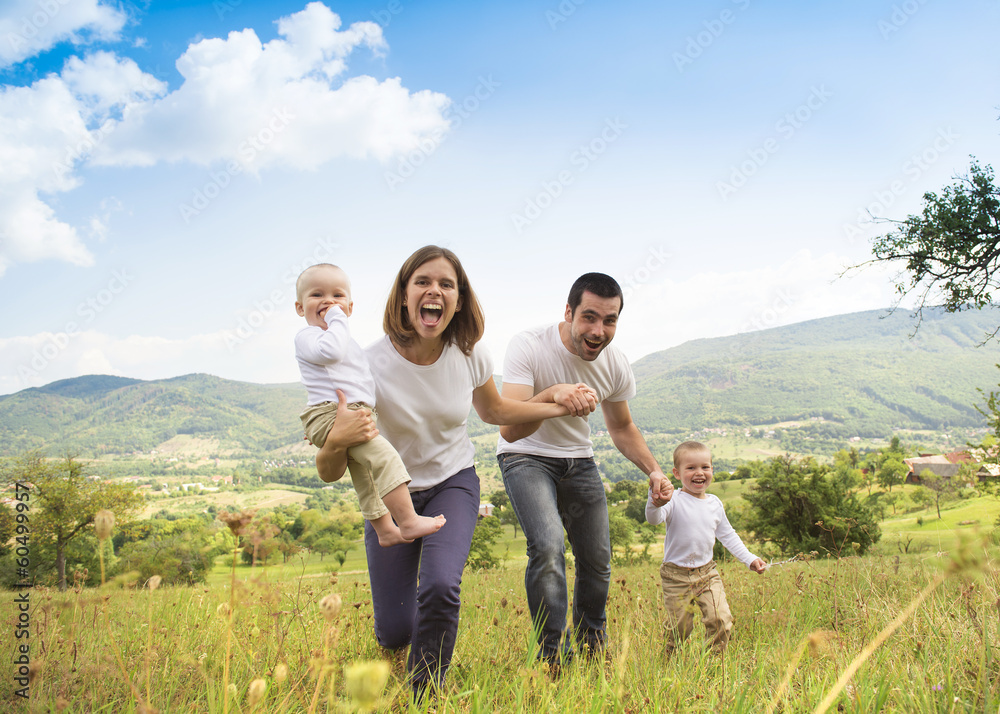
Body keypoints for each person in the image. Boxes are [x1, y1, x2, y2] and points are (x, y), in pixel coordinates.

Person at [314, 245, 598, 695]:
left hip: (454, 484)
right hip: (394, 498)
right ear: (404, 295)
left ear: (460, 299)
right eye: (423, 282)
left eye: (447, 284)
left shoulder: (469, 354)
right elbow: (329, 470)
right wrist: (336, 436)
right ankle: (404, 646)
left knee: (442, 587)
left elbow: (497, 411)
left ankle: (425, 693)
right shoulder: (367, 364)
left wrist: (555, 400)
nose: (435, 291)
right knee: (394, 631)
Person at [497, 272, 671, 665]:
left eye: (609, 320)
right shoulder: (528, 345)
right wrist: (554, 395)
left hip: (579, 460)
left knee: (596, 559)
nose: (598, 330)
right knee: (548, 546)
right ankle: (551, 656)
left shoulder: (614, 364)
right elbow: (509, 428)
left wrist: (654, 471)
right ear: (568, 312)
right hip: (524, 455)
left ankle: (593, 650)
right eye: (589, 317)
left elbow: (622, 427)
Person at [294, 263, 445, 546]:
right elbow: (332, 351)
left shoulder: (344, 340)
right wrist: (337, 318)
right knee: (385, 458)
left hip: (350, 412)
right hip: (334, 413)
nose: (328, 302)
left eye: (338, 297)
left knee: (366, 475)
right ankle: (409, 520)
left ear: (351, 306)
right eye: (317, 295)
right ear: (300, 308)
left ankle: (385, 529)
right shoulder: (310, 336)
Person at [644, 440, 766, 654]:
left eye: (705, 467)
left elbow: (728, 535)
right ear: (677, 473)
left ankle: (714, 662)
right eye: (691, 468)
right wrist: (655, 501)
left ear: (712, 470)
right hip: (676, 576)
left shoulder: (714, 504)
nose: (699, 473)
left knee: (721, 619)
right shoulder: (673, 500)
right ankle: (670, 661)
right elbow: (654, 519)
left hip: (707, 574)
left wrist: (749, 559)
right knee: (679, 628)